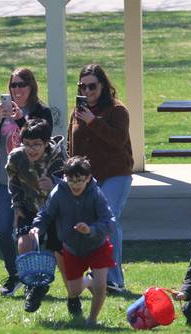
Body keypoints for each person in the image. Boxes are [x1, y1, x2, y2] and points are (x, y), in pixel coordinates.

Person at [0, 68, 53, 296]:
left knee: (33, 232)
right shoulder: (0, 109)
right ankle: (15, 275)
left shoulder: (41, 111)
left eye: (22, 84)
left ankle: (34, 277)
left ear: (31, 86)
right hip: (5, 180)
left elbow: (44, 141)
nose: (17, 89)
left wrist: (21, 119)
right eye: (13, 85)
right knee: (3, 230)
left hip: (32, 184)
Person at [68, 64, 134, 294]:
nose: (87, 91)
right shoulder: (77, 112)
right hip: (87, 177)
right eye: (82, 86)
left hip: (116, 174)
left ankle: (115, 279)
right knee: (93, 225)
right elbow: (71, 145)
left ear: (103, 85)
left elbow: (118, 140)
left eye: (92, 86)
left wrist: (93, 121)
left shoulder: (117, 110)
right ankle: (99, 273)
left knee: (109, 220)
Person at [30, 156, 116, 326]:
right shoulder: (59, 192)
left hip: (97, 245)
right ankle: (89, 279)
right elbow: (46, 214)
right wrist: (37, 227)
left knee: (100, 288)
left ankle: (92, 320)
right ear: (65, 178)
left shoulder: (96, 194)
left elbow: (109, 221)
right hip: (72, 248)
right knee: (74, 290)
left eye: (79, 180)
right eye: (71, 180)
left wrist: (90, 229)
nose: (75, 185)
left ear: (88, 178)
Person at [6, 119, 66, 313]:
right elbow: (13, 182)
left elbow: (73, 185)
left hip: (55, 210)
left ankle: (71, 296)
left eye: (37, 145)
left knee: (58, 252)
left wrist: (55, 184)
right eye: (28, 144)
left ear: (46, 142)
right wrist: (16, 205)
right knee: (24, 244)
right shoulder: (16, 158)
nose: (32, 149)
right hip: (29, 208)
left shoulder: (58, 158)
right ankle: (33, 286)